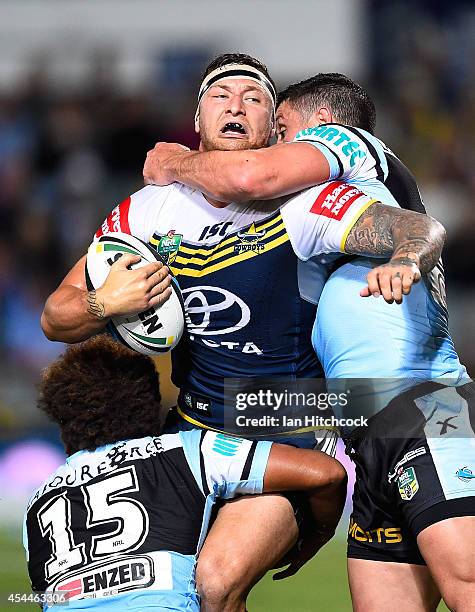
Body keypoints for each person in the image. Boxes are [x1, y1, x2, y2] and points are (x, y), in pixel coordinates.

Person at [41, 57, 444, 611]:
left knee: (216, 580)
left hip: (284, 423)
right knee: (154, 589)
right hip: (190, 429)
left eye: (253, 98)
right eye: (221, 95)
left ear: (272, 129)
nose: (236, 105)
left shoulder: (302, 201)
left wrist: (404, 254)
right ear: (199, 118)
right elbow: (55, 318)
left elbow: (412, 227)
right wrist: (104, 301)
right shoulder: (146, 211)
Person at [143, 73, 474, 611]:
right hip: (369, 428)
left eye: (283, 128)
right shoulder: (316, 223)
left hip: (425, 408)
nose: (275, 140)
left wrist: (174, 164)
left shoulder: (354, 146)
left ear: (320, 127)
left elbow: (251, 177)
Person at [24, 334, 347, 611]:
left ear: (64, 423)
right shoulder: (184, 451)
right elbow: (325, 473)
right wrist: (314, 536)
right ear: (150, 406)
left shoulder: (38, 503)